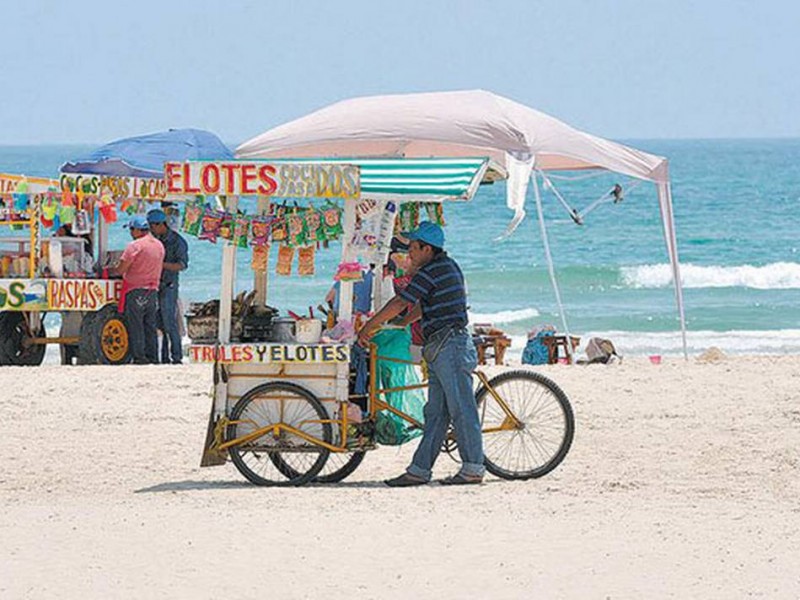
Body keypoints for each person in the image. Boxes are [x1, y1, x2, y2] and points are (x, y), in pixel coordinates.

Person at [357, 222, 483, 486]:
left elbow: (401, 301)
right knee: (435, 413)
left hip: (451, 346)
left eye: (414, 248)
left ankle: (473, 468)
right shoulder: (441, 268)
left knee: (462, 409)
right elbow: (426, 305)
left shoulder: (432, 271)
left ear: (427, 248)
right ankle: (419, 470)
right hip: (439, 347)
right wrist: (404, 322)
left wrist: (371, 325)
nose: (410, 253)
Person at [116, 215, 164, 364]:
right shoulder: (159, 245)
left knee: (136, 325)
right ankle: (153, 357)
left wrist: (113, 270)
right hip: (153, 290)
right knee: (150, 325)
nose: (130, 233)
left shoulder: (135, 246)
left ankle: (140, 357)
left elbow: (121, 269)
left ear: (138, 230)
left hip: (136, 290)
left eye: (131, 229)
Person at [147, 208, 189, 364]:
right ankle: (164, 357)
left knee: (169, 322)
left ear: (160, 224)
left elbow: (182, 265)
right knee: (159, 323)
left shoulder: (178, 241)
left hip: (169, 285)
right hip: (154, 285)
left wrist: (161, 265)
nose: (151, 229)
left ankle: (176, 357)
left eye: (152, 226)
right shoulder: (155, 239)